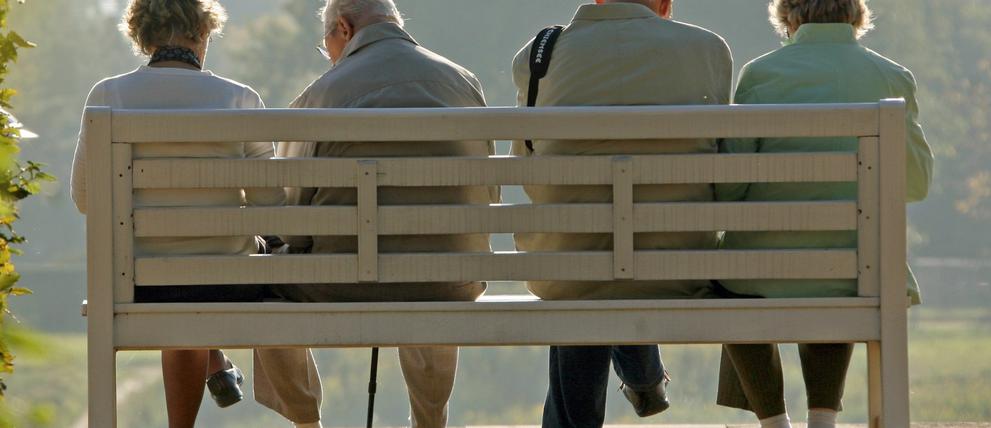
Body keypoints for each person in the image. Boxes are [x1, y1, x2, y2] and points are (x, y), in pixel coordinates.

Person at [251, 0, 497, 427]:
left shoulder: (323, 94)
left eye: (326, 43)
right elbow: (486, 195)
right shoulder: (463, 82)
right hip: (452, 281)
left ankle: (306, 421)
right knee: (436, 258)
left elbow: (292, 223)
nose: (328, 54)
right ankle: (429, 420)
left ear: (343, 29)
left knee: (257, 278)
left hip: (342, 283)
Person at [509, 1, 733, 426]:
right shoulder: (708, 49)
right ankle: (644, 378)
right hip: (679, 265)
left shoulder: (538, 55)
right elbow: (719, 161)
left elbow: (526, 163)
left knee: (584, 266)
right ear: (666, 5)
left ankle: (640, 379)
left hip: (569, 264)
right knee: (615, 255)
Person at [713, 1, 934, 427]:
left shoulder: (760, 74)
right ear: (856, 15)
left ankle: (773, 422)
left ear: (790, 18)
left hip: (761, 271)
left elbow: (729, 188)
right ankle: (823, 419)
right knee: (846, 267)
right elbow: (916, 184)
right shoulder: (892, 78)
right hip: (855, 271)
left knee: (729, 275)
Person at [70, 1, 285, 427]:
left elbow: (85, 198)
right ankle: (215, 364)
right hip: (224, 282)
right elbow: (271, 208)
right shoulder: (239, 97)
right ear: (202, 32)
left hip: (139, 283)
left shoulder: (108, 95)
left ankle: (213, 367)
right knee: (217, 268)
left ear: (143, 36)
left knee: (176, 277)